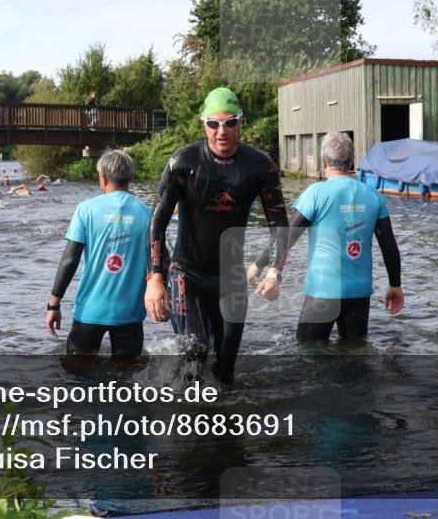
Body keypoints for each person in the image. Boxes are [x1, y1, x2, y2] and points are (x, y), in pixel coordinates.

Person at [144, 87, 288, 383]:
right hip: (188, 272)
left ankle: (224, 425)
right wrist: (155, 279)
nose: (222, 132)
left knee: (226, 369)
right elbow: (156, 222)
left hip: (232, 276)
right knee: (194, 351)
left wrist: (274, 273)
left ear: (241, 123)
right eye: (213, 124)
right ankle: (187, 419)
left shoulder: (260, 166)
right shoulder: (183, 163)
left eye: (230, 122)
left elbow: (279, 225)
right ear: (204, 124)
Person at [249, 132, 404, 343]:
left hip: (322, 292)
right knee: (354, 356)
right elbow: (389, 246)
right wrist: (395, 285)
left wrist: (259, 264)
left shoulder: (316, 193)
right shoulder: (373, 196)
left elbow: (286, 236)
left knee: (309, 353)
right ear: (351, 162)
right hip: (359, 293)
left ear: (323, 161)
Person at [46, 151, 151, 355]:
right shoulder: (147, 212)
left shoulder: (86, 209)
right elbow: (160, 260)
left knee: (79, 377)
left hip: (90, 311)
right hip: (130, 313)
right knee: (126, 379)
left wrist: (53, 305)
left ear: (102, 177)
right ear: (130, 177)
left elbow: (70, 259)